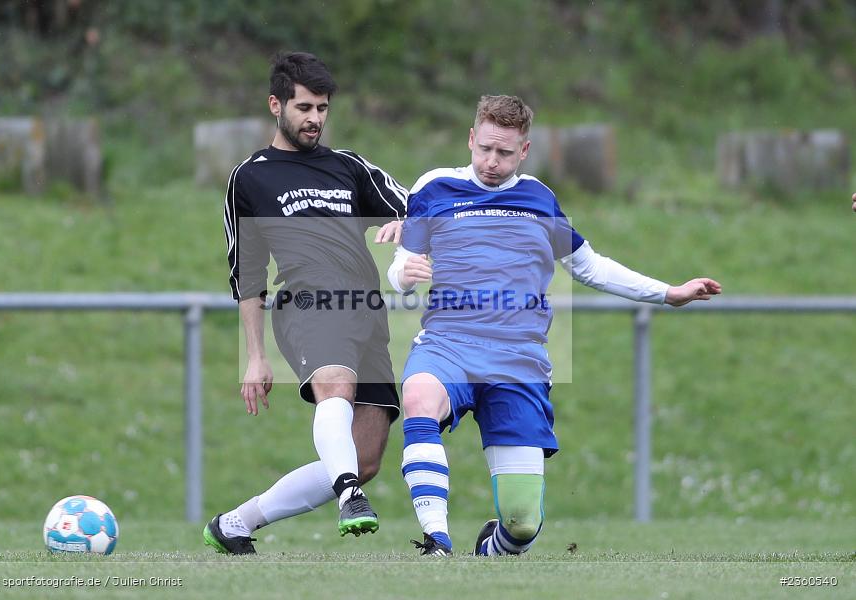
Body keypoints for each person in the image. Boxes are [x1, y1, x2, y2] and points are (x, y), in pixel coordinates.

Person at [387, 95, 722, 556]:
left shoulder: (538, 199)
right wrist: (402, 275)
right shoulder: (435, 187)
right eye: (484, 148)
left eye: (505, 153)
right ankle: (436, 541)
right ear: (470, 138)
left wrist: (668, 292)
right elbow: (403, 262)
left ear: (524, 151)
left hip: (517, 359)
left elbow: (590, 267)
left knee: (522, 523)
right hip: (449, 343)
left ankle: (493, 548)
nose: (491, 161)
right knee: (419, 396)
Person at [204, 51, 407, 554]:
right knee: (334, 385)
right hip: (307, 305)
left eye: (322, 108)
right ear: (276, 105)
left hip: (366, 312)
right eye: (304, 108)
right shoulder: (250, 178)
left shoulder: (350, 168)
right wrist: (255, 356)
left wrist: (411, 224)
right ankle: (349, 498)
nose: (314, 119)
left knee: (364, 459)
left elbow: (417, 206)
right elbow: (246, 275)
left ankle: (235, 523)